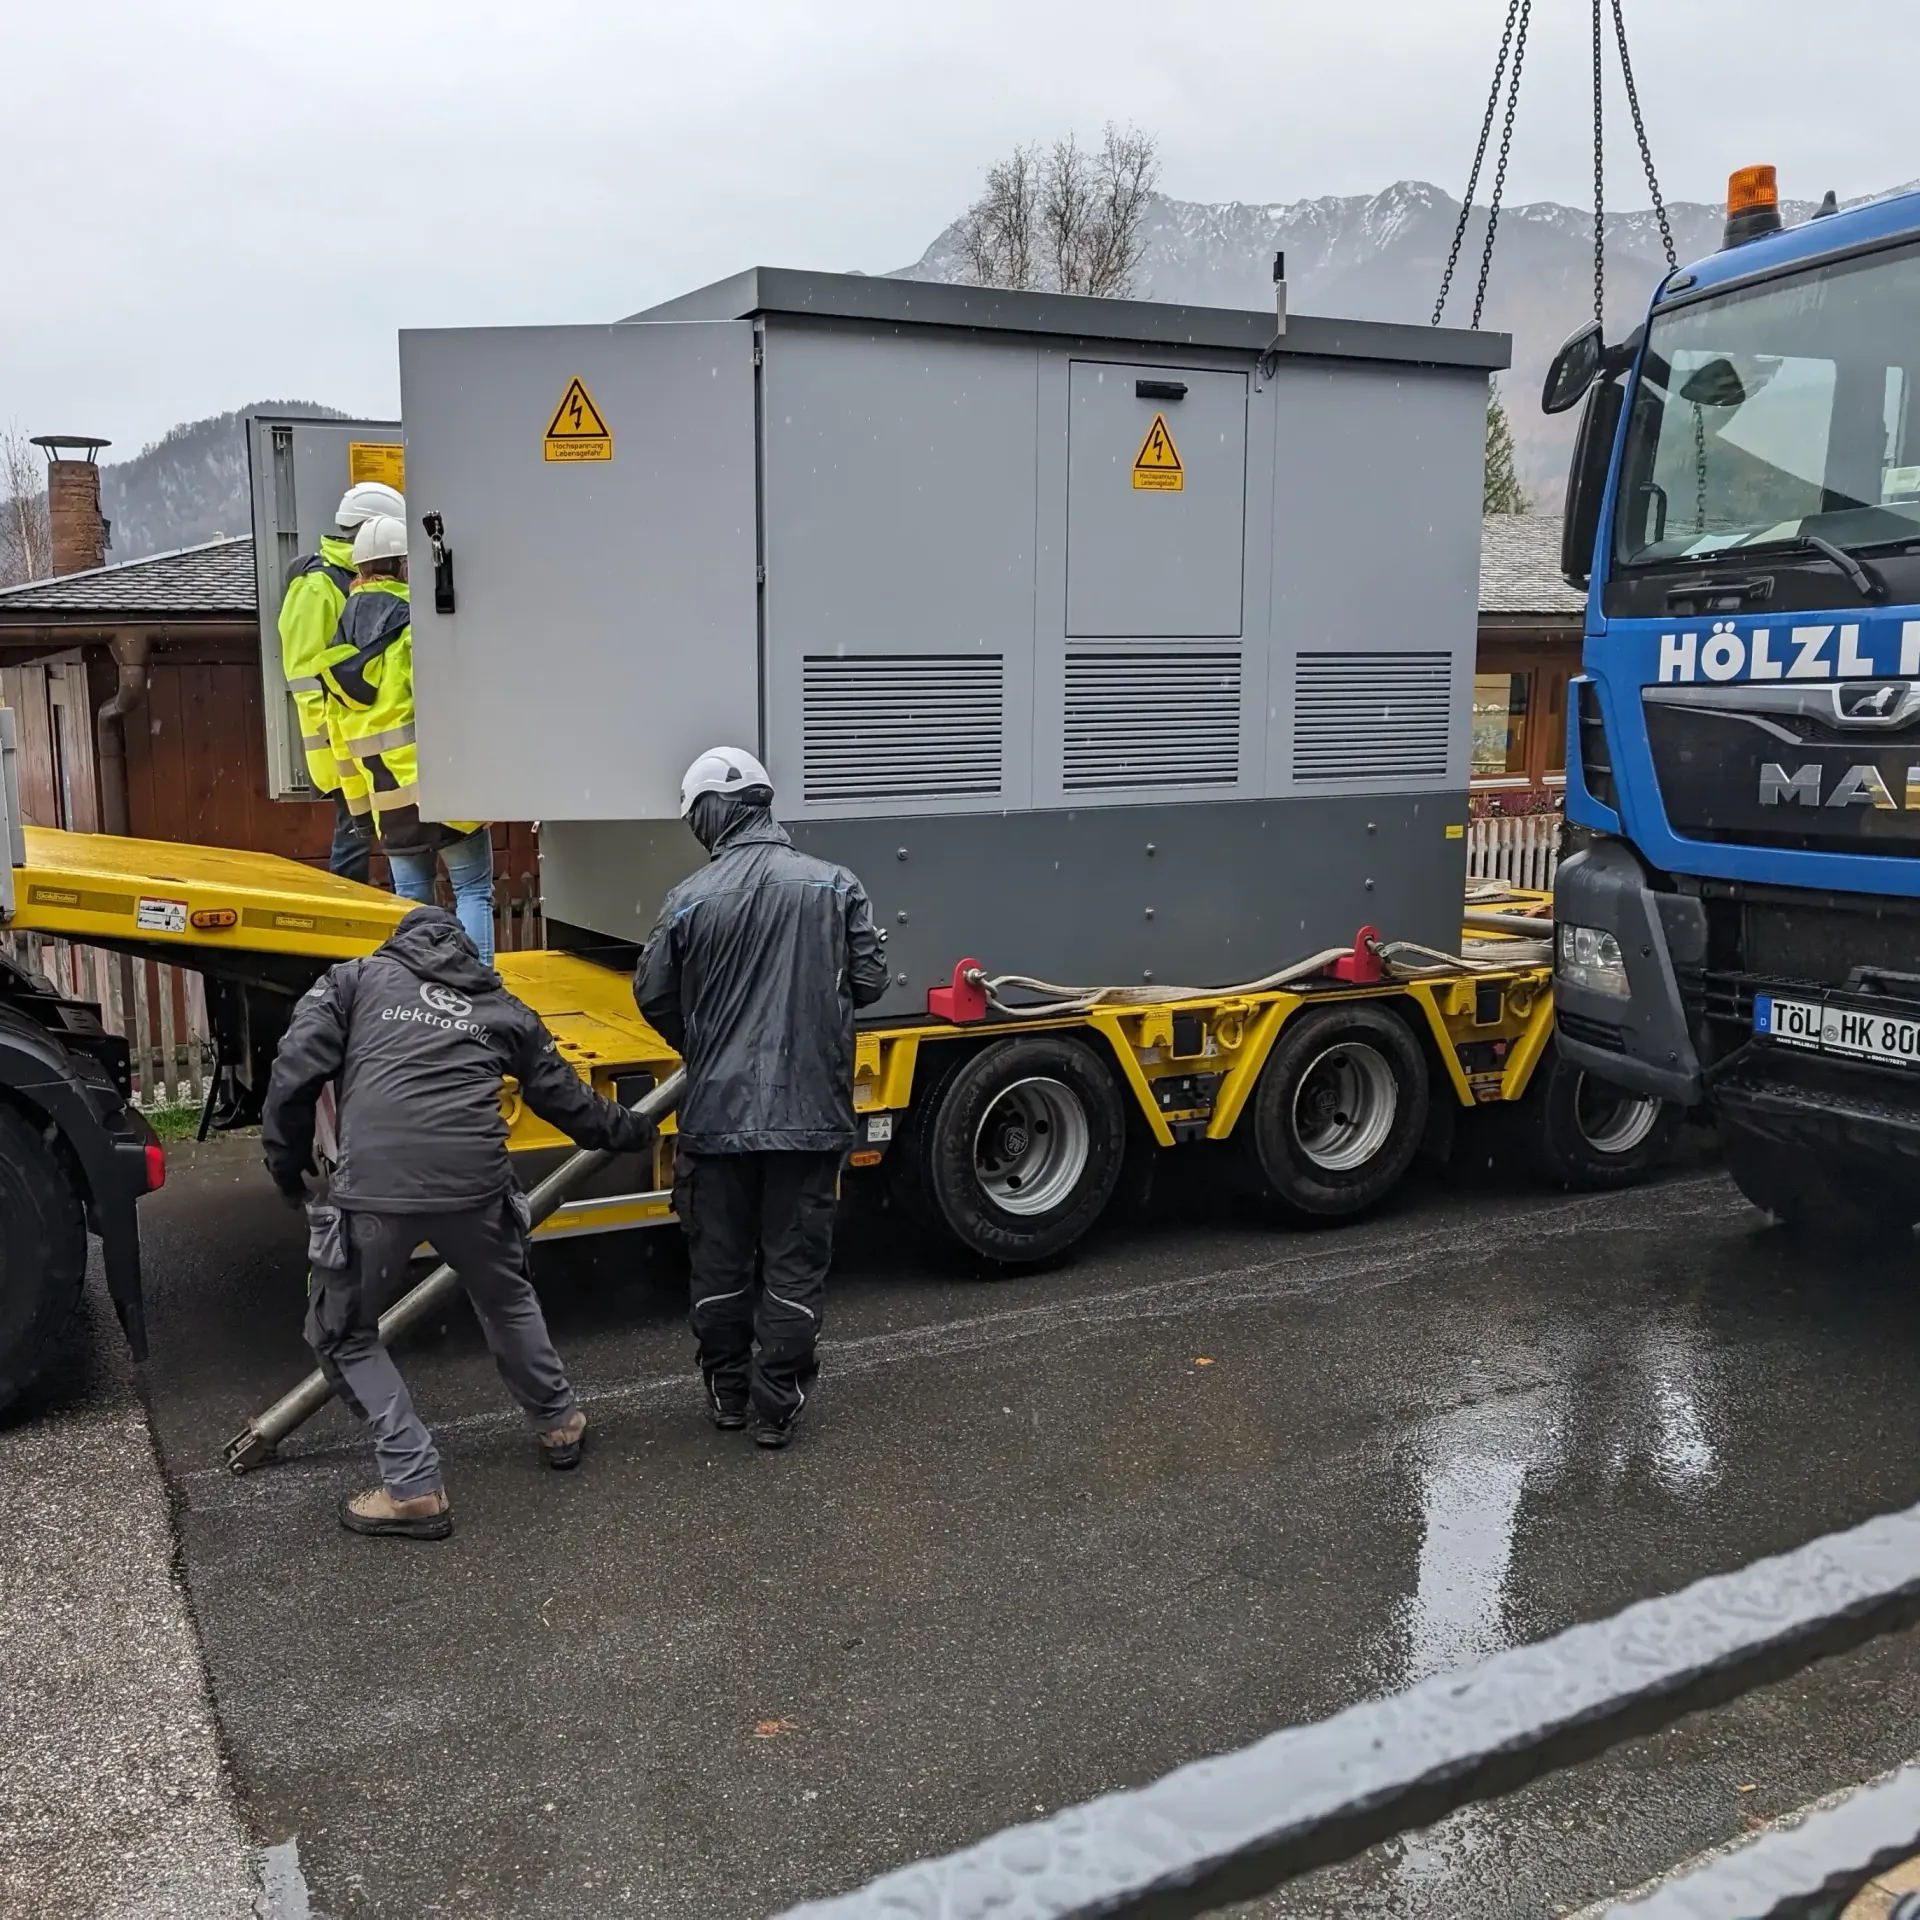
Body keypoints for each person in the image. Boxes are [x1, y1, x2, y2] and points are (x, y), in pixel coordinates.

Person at [261, 905, 653, 1539]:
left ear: (399, 945)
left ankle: (412, 1485)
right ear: (466, 953)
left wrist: (285, 1166)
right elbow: (569, 1103)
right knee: (505, 1299)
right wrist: (636, 1127)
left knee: (342, 1334)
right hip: (477, 1187)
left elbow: (295, 1071)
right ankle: (559, 1423)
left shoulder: (353, 981)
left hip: (378, 1190)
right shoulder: (500, 1005)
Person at [633, 747, 888, 1448]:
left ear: (710, 813)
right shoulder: (835, 885)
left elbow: (652, 992)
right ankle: (777, 1407)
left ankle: (728, 1394)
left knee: (719, 1262)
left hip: (716, 1119)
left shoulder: (689, 898)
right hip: (811, 1115)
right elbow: (870, 981)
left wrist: (703, 1042)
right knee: (793, 1265)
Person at [320, 514, 499, 964]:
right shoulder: (418, 629)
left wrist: (362, 817)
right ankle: (481, 989)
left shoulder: (338, 649)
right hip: (444, 789)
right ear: (405, 566)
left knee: (412, 908)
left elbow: (341, 746)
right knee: (473, 891)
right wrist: (484, 790)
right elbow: (450, 711)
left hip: (391, 807)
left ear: (359, 570)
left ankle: (421, 991)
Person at [278, 481, 403, 883]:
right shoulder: (318, 585)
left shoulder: (354, 579)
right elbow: (305, 676)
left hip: (367, 737)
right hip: (342, 743)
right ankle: (347, 920)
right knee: (355, 839)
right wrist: (335, 741)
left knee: (379, 836)